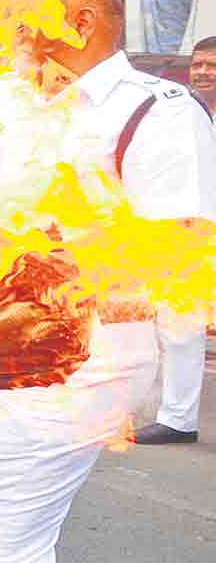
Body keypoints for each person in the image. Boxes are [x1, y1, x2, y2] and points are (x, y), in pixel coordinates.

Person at [0, 0, 216, 563]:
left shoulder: (158, 112)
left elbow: (183, 244)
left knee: (2, 542)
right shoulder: (7, 95)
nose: (14, 28)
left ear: (80, 23)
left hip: (86, 354)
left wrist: (59, 257)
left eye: (28, 15)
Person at [133, 34, 216, 445]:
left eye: (212, 65)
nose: (203, 71)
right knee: (178, 324)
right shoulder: (178, 112)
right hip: (190, 234)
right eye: (198, 64)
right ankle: (177, 418)